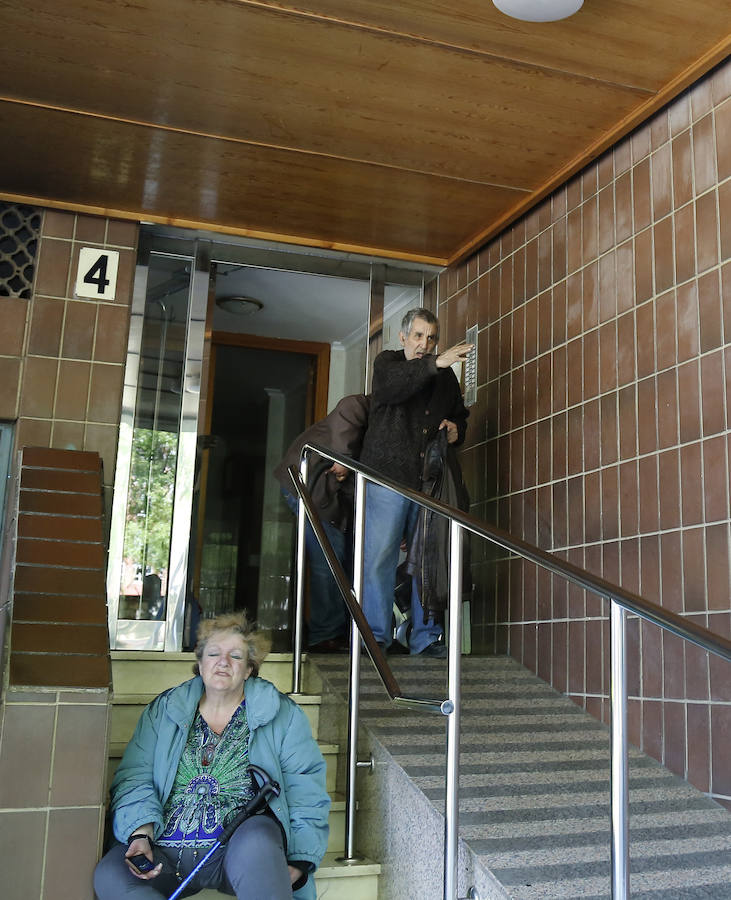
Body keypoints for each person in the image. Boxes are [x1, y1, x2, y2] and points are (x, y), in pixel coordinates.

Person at [94, 612, 330, 900]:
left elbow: (306, 789)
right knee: (110, 875)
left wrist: (300, 859)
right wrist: (141, 833)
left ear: (248, 670)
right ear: (201, 663)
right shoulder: (165, 710)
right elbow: (135, 776)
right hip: (163, 849)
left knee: (258, 839)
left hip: (240, 850)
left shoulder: (283, 714)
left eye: (236, 656)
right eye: (214, 653)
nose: (223, 662)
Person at [359, 308, 472, 658]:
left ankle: (425, 637)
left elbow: (459, 416)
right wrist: (436, 363)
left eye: (431, 338)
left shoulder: (445, 378)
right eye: (419, 336)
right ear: (404, 337)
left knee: (429, 558)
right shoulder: (387, 363)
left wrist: (456, 431)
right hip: (387, 478)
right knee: (379, 558)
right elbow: (396, 388)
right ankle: (376, 636)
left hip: (428, 482)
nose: (425, 344)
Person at [274, 394, 370, 652]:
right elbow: (346, 415)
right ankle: (324, 634)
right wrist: (342, 459)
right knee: (327, 560)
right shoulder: (361, 405)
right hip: (306, 485)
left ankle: (335, 631)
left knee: (339, 560)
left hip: (330, 496)